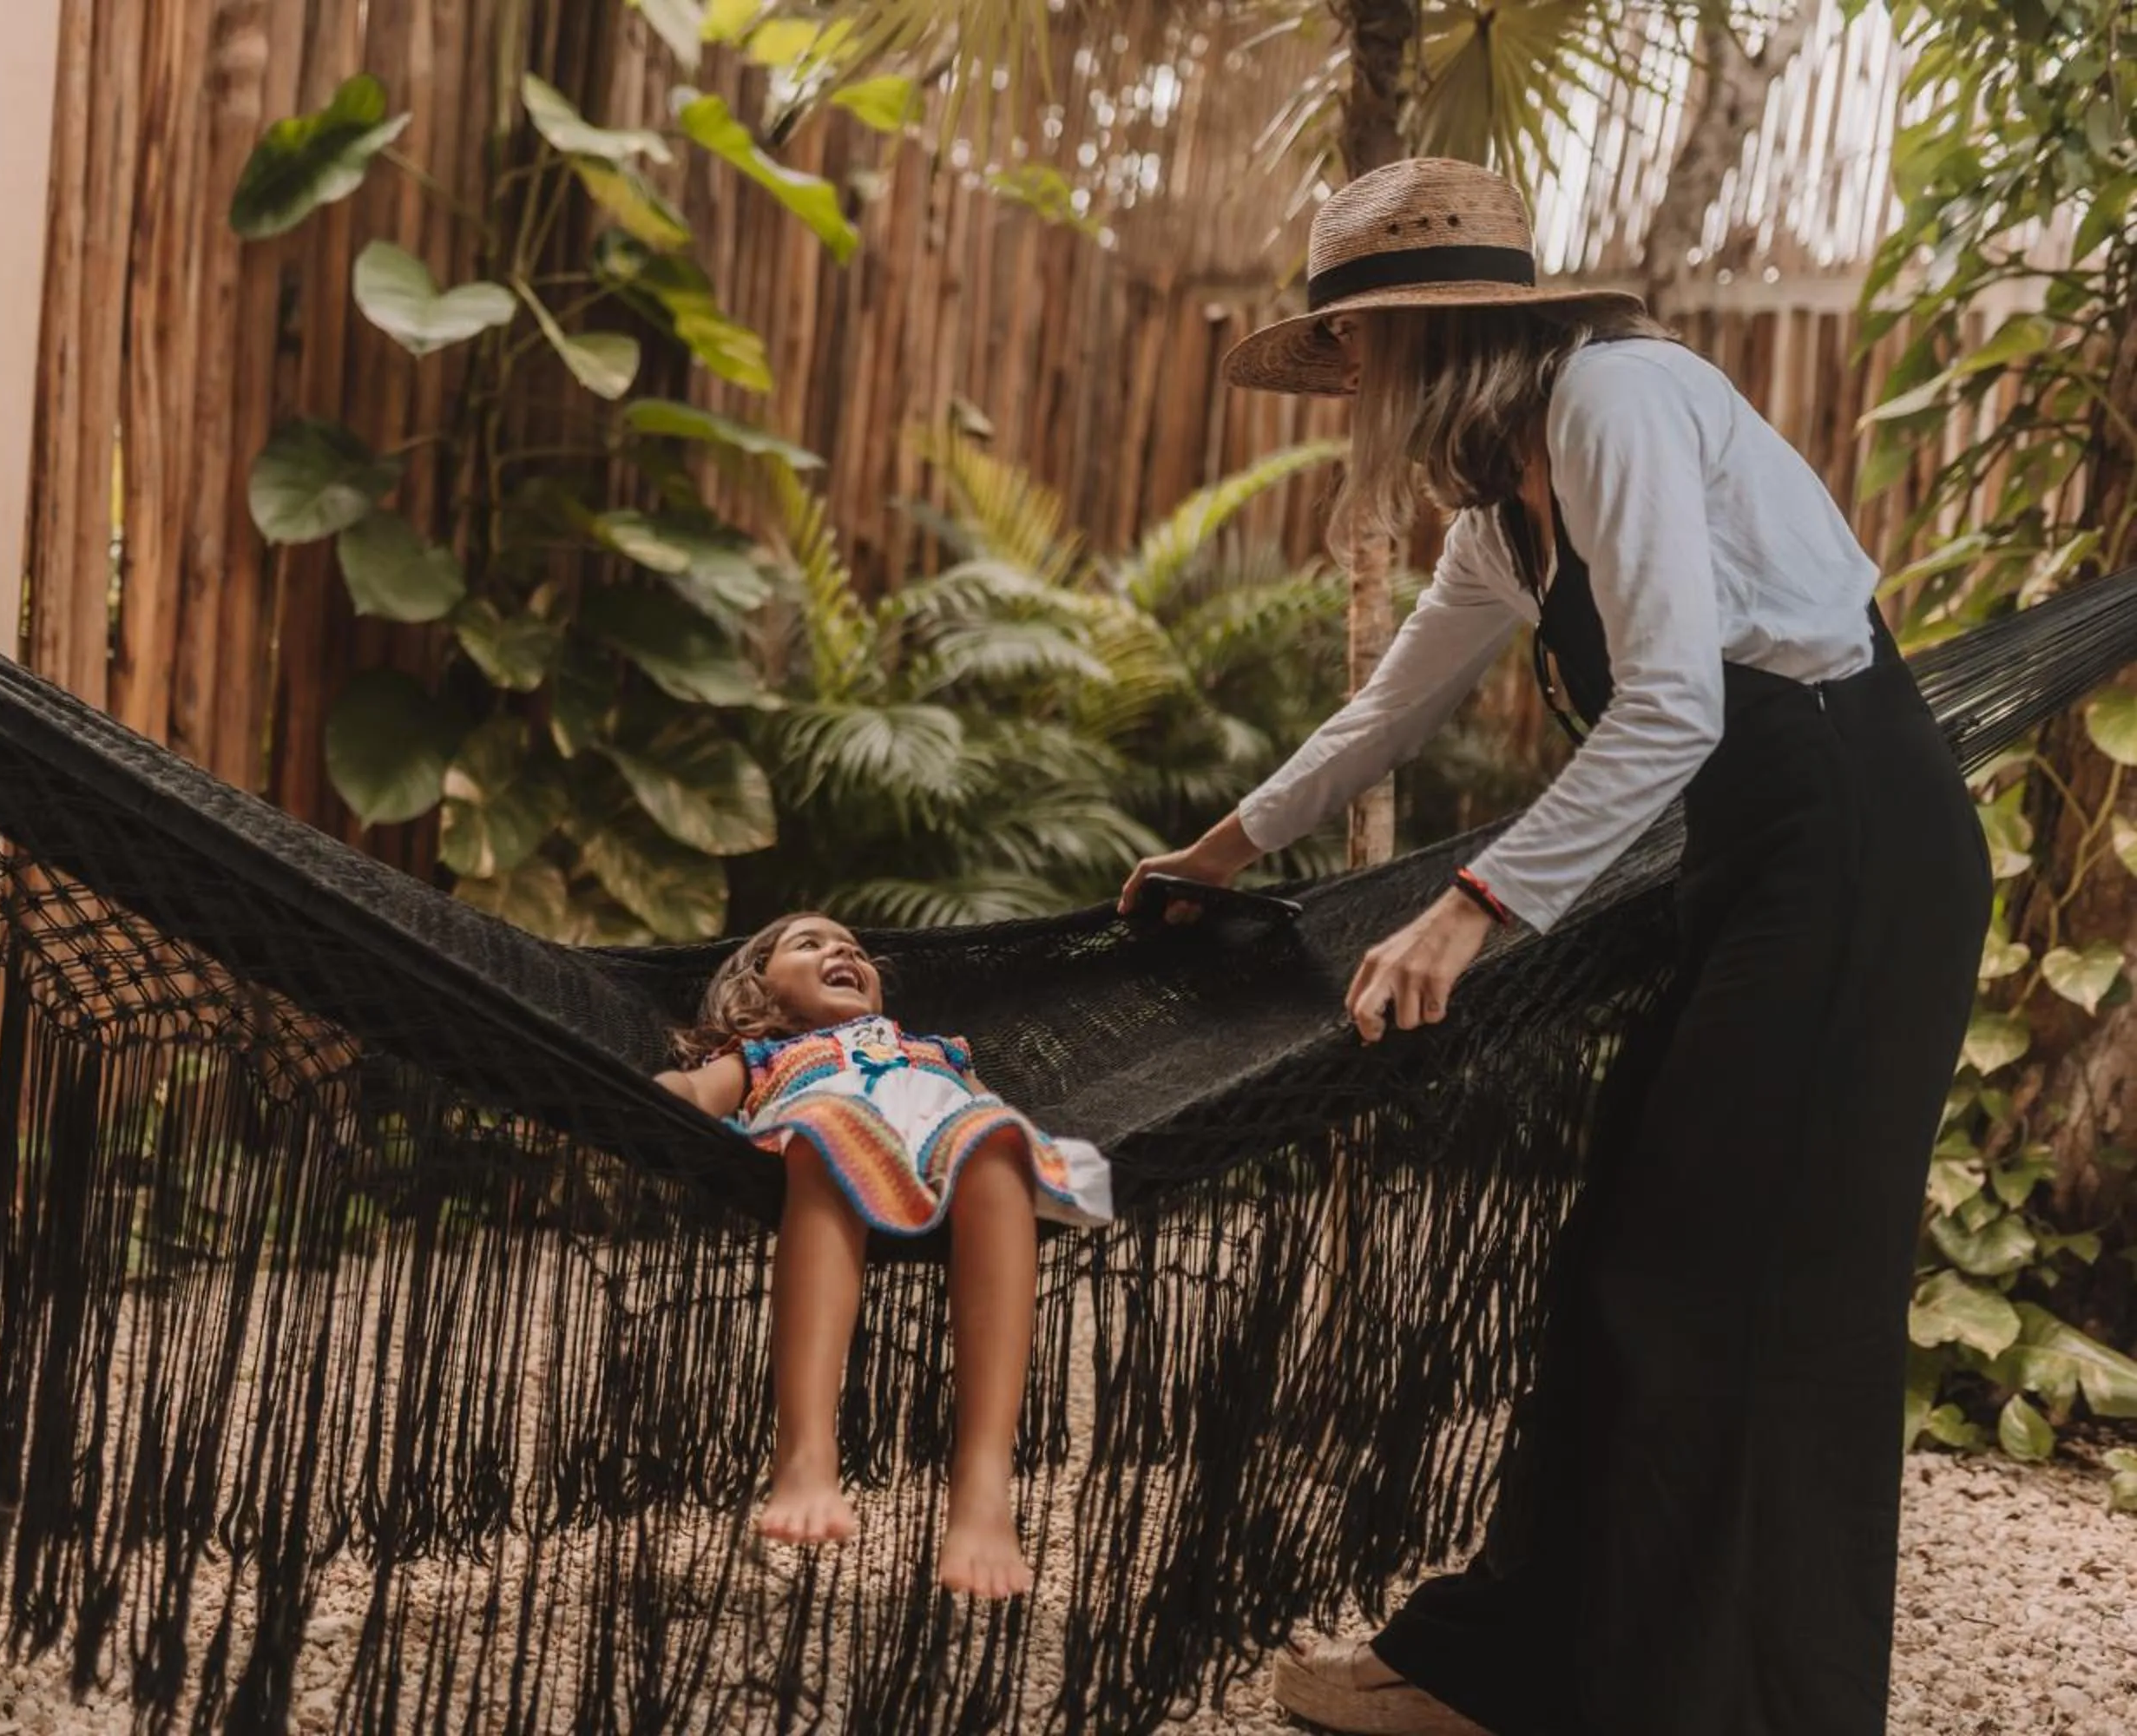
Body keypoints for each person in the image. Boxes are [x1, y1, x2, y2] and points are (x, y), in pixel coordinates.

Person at [1119, 159, 1990, 1735]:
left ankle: (1720, 1702)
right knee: (1623, 1264)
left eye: (1362, 343)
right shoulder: (1500, 505)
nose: (1353, 380)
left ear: (1431, 331)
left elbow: (1677, 702)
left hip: (1857, 851)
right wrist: (1221, 851)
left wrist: (1470, 908)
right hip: (1751, 861)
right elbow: (1389, 707)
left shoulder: (1616, 400)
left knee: (1746, 1288)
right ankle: (1507, 1670)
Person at [654, 913, 1113, 1599]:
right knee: (829, 1128)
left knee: (997, 1143)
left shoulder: (936, 1051)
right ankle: (806, 1451)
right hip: (827, 1142)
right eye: (810, 944)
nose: (842, 949)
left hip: (946, 1153)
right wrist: (643, 1098)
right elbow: (691, 1095)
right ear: (757, 990)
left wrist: (1012, 1138)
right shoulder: (761, 1056)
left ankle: (983, 1483)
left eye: (855, 949)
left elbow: (990, 1110)